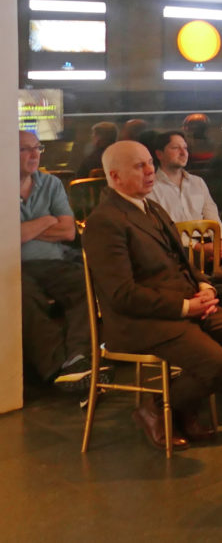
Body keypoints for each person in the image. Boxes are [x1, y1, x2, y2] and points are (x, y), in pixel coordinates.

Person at [81, 141, 222, 451]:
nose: (150, 170)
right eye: (140, 166)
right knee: (220, 366)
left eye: (150, 163)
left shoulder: (151, 207)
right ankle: (157, 410)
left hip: (183, 306)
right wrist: (185, 307)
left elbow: (182, 260)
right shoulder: (106, 221)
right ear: (115, 175)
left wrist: (203, 287)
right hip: (140, 322)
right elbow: (122, 295)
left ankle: (176, 406)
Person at [19, 130, 110, 392]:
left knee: (84, 284)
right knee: (24, 298)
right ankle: (59, 369)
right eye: (26, 149)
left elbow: (68, 231)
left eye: (38, 148)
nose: (34, 154)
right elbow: (8, 239)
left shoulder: (50, 184)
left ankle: (78, 358)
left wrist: (26, 229)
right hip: (11, 266)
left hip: (52, 261)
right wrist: (48, 220)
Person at [150, 131, 222, 243]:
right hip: (174, 247)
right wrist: (196, 247)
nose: (183, 153)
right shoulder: (151, 187)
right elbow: (160, 229)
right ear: (159, 154)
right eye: (176, 148)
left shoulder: (198, 182)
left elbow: (212, 215)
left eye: (185, 148)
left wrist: (220, 240)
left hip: (206, 243)